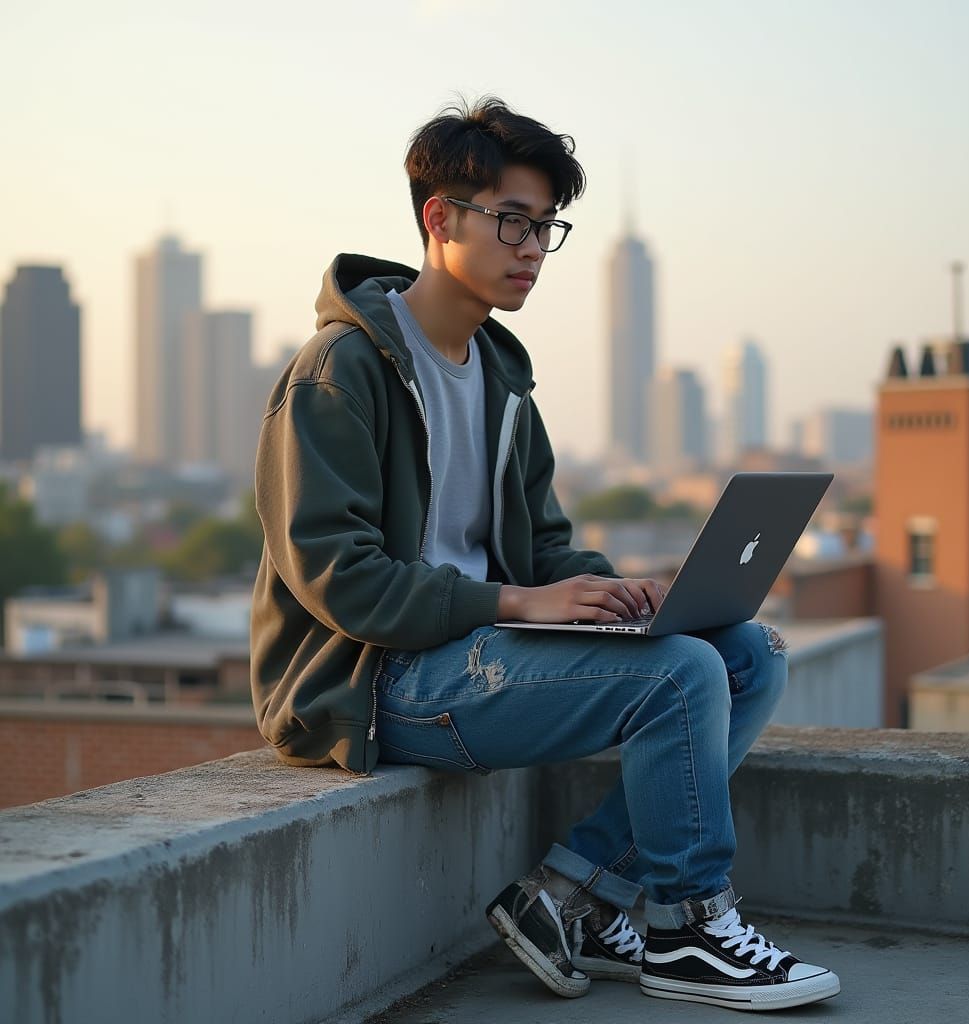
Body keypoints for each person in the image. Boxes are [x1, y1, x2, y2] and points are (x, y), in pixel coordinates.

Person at [250, 96, 840, 1012]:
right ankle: (685, 929)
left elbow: (542, 543)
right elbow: (337, 575)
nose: (532, 248)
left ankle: (575, 896)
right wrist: (518, 606)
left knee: (747, 653)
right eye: (512, 222)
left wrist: (620, 592)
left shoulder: (499, 374)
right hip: (376, 680)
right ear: (438, 219)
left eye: (545, 227)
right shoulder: (341, 371)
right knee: (680, 678)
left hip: (478, 658)